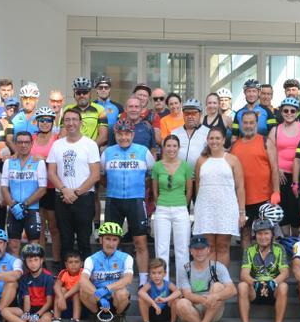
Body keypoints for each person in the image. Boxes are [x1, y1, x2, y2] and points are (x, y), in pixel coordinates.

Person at [102, 120, 155, 283]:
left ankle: (143, 281)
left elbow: (151, 175)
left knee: (140, 241)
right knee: (111, 241)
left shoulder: (143, 151)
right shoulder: (108, 152)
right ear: (115, 135)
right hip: (114, 201)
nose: (123, 137)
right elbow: (102, 176)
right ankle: (111, 277)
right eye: (120, 134)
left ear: (132, 134)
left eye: (127, 134)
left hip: (136, 201)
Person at [48, 108, 102, 256]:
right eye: (67, 120)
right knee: (66, 241)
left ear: (81, 123)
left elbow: (95, 175)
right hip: (62, 198)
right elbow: (51, 172)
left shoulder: (90, 144)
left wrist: (76, 192)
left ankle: (84, 275)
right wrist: (65, 190)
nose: (70, 123)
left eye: (74, 120)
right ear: (63, 123)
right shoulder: (57, 145)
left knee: (84, 240)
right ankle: (65, 276)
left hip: (84, 198)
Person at [193, 127, 246, 265]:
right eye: (211, 138)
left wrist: (241, 212)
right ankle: (211, 281)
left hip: (226, 208)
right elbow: (198, 186)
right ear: (207, 140)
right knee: (209, 247)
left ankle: (222, 282)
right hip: (206, 209)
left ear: (223, 140)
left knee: (223, 246)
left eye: (217, 138)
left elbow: (240, 187)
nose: (214, 141)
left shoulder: (233, 160)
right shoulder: (201, 161)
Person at [173, 235, 238, 322]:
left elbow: (232, 290)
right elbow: (187, 294)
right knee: (180, 303)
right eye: (196, 249)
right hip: (195, 309)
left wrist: (214, 297)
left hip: (213, 308)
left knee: (218, 286)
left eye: (202, 248)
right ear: (191, 251)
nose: (199, 252)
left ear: (208, 250)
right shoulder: (185, 269)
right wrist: (205, 300)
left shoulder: (218, 267)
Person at [230, 110, 277, 250]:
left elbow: (275, 168)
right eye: (245, 123)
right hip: (243, 200)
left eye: (252, 122)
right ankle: (247, 265)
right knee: (245, 234)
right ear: (241, 124)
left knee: (265, 235)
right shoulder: (235, 146)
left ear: (256, 124)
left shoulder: (265, 142)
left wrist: (276, 192)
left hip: (264, 198)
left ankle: (266, 267)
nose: (248, 126)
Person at [236, 219, 290, 322]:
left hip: (273, 287)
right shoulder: (249, 249)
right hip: (255, 288)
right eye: (259, 234)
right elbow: (244, 274)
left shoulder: (279, 248)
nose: (263, 237)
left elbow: (285, 272)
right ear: (255, 235)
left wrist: (273, 282)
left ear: (272, 234)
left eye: (266, 233)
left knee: (284, 286)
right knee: (242, 286)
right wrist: (254, 283)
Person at [151, 135, 194, 276]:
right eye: (168, 145)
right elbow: (155, 190)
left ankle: (183, 284)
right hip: (162, 210)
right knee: (161, 248)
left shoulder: (186, 166)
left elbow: (189, 190)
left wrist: (182, 204)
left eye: (174, 146)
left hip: (181, 209)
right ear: (163, 147)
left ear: (179, 148)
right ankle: (162, 284)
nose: (171, 149)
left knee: (182, 248)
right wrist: (161, 203)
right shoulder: (157, 166)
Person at [79, 222, 134, 322]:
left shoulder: (126, 258)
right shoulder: (91, 259)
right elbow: (83, 279)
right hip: (97, 299)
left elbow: (128, 279)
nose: (111, 243)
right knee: (83, 291)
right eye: (108, 239)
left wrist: (107, 289)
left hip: (116, 298)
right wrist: (98, 294)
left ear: (118, 241)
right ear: (101, 240)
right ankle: (94, 315)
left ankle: (119, 315)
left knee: (123, 293)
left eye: (115, 240)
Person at [0, 131, 46, 256]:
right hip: (14, 209)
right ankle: (16, 274)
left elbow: (42, 189)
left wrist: (24, 205)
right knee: (13, 245)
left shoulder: (39, 162)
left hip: (31, 209)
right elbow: (4, 186)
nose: (23, 145)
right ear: (15, 144)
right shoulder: (8, 162)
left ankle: (33, 274)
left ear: (32, 144)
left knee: (34, 247)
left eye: (26, 142)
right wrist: (13, 205)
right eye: (20, 142)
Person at [266, 97, 300, 235]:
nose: (289, 113)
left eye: (292, 111)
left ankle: (295, 240)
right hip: (280, 175)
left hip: (298, 175)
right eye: (286, 110)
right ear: (281, 112)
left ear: (297, 112)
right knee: (283, 209)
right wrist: (277, 169)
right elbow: (270, 153)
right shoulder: (275, 130)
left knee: (295, 208)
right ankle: (285, 241)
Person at [1, 244, 56, 322]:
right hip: (28, 309)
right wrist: (26, 313)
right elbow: (26, 298)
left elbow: (49, 302)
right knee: (4, 311)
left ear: (41, 260)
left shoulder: (48, 277)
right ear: (25, 262)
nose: (33, 263)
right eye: (29, 261)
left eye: (36, 260)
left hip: (43, 310)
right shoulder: (24, 278)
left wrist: (37, 314)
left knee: (46, 320)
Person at [31, 106, 62, 263]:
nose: (44, 123)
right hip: (35, 186)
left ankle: (56, 261)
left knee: (54, 227)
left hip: (51, 187)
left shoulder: (57, 139)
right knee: (40, 227)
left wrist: (44, 159)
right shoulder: (32, 138)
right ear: (37, 122)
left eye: (48, 120)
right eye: (41, 120)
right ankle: (40, 262)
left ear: (52, 122)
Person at [137, 257, 181, 322]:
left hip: (166, 312)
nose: (156, 276)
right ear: (149, 274)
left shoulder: (168, 284)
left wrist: (165, 299)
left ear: (165, 273)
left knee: (176, 299)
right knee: (141, 299)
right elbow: (141, 292)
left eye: (159, 273)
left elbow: (178, 292)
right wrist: (154, 304)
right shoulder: (149, 284)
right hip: (153, 312)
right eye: (153, 273)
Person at [64, 77, 109, 147]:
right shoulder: (67, 110)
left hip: (92, 149)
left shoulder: (100, 109)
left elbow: (103, 136)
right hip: (71, 149)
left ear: (90, 94)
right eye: (78, 93)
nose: (82, 95)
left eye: (85, 92)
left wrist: (90, 148)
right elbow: (63, 134)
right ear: (74, 94)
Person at [170, 98, 210, 167]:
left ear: (200, 114)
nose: (190, 116)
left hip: (199, 175)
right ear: (183, 115)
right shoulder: (174, 133)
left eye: (194, 113)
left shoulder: (209, 133)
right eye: (187, 113)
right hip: (179, 174)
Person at [54, 251, 83, 322]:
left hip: (80, 305)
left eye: (76, 262)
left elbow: (79, 284)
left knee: (76, 292)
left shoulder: (83, 272)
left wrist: (64, 297)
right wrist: (61, 297)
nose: (73, 264)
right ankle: (56, 320)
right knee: (60, 290)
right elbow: (56, 285)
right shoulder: (64, 272)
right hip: (64, 305)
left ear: (81, 264)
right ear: (66, 265)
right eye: (70, 262)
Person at [6, 83, 42, 148]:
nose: (28, 101)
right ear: (21, 99)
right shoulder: (13, 118)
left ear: (36, 100)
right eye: (25, 98)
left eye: (31, 98)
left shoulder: (41, 118)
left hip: (35, 156)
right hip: (17, 154)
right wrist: (18, 153)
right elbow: (9, 140)